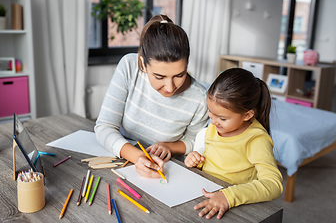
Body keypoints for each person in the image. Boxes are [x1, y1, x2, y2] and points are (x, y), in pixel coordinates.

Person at [95, 14, 209, 178]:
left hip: (166, 169)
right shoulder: (130, 66)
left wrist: (168, 147)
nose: (170, 88)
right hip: (120, 158)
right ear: (143, 63)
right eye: (159, 77)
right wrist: (137, 157)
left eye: (179, 75)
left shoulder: (199, 97)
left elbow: (193, 142)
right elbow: (104, 127)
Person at [185, 68, 283, 220]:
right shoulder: (215, 126)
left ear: (247, 115)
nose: (212, 121)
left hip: (234, 202)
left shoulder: (256, 139)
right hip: (205, 192)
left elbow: (273, 184)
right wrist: (197, 161)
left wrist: (228, 196)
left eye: (222, 118)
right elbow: (215, 161)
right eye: (210, 112)